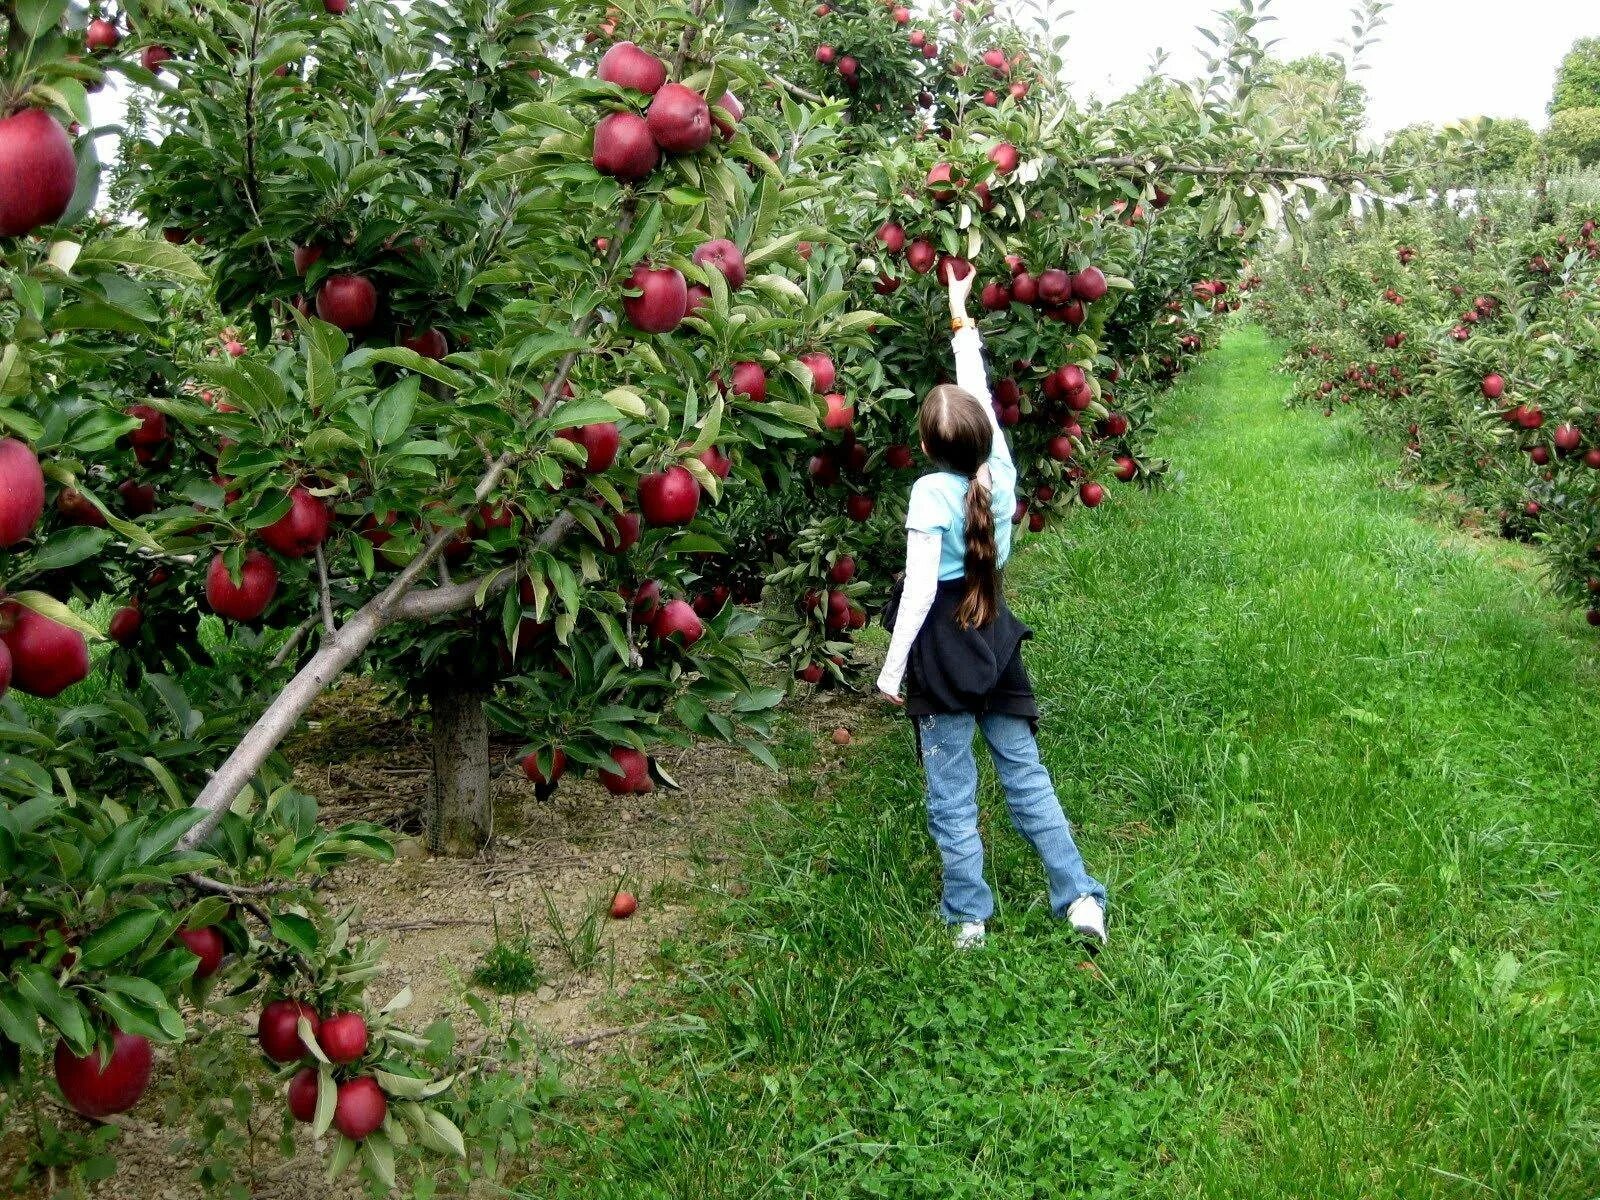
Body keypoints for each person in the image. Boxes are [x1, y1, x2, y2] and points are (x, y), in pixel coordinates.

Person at [876, 268, 1107, 951]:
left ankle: (970, 917)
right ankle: (1080, 899)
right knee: (1026, 778)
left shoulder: (929, 494)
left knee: (952, 792)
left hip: (942, 657)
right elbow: (974, 391)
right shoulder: (997, 472)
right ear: (982, 435)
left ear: (925, 448)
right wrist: (960, 314)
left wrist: (891, 674)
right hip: (995, 638)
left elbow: (919, 592)